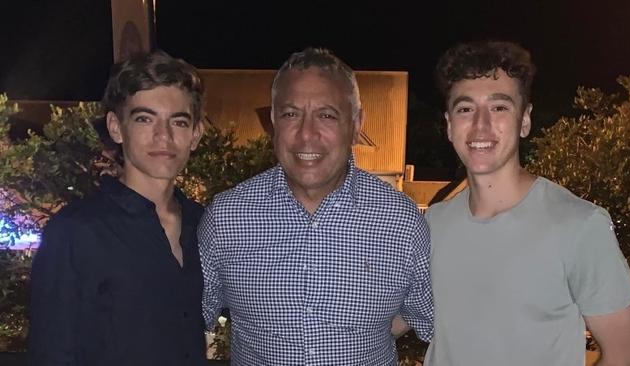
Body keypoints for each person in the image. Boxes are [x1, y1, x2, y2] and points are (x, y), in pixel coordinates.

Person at [199, 47, 433, 365]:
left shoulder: (402, 223)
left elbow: (430, 317)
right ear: (273, 121)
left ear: (355, 123)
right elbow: (188, 319)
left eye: (327, 115)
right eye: (291, 114)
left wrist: (367, 332)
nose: (307, 134)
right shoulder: (226, 219)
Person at [424, 40, 630, 365]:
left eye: (499, 108)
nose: (480, 125)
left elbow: (625, 355)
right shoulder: (431, 225)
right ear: (449, 124)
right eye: (465, 109)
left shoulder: (579, 225)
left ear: (524, 120)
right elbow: (389, 315)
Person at [28, 50, 207, 366]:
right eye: (144, 118)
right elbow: (52, 352)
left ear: (195, 134)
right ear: (115, 127)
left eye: (178, 121)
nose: (163, 136)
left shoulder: (205, 225)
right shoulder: (76, 231)